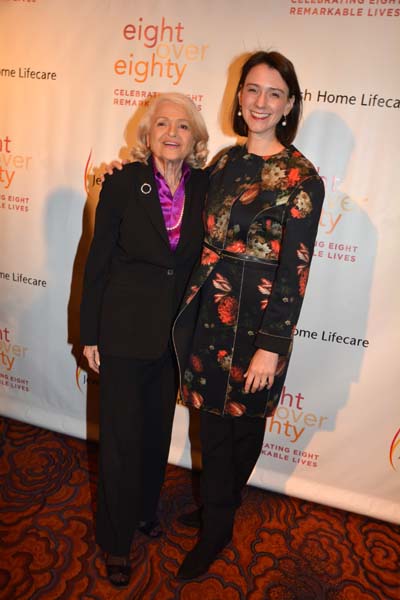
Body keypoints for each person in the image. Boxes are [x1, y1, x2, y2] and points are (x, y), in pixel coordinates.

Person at [173, 51, 325, 579]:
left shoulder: (303, 179)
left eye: (274, 93)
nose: (261, 102)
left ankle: (218, 520)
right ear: (239, 97)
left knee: (245, 424)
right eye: (253, 89)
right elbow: (185, 213)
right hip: (208, 308)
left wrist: (272, 345)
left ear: (288, 106)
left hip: (259, 320)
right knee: (211, 426)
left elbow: (295, 269)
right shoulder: (224, 162)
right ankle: (217, 513)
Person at [80, 92, 209, 588]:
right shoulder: (122, 182)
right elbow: (97, 263)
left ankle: (141, 512)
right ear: (147, 133)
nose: (172, 133)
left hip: (175, 337)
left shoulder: (205, 188)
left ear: (195, 137)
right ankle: (115, 542)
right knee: (118, 442)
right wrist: (90, 333)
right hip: (122, 333)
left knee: (156, 436)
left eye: (182, 125)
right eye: (161, 124)